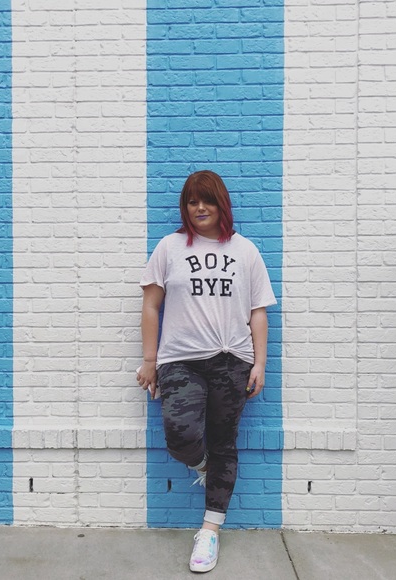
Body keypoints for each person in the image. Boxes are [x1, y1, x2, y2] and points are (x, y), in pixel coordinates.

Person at [136, 170, 276, 573]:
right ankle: (204, 467)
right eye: (192, 201)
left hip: (232, 358)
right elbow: (151, 306)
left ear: (221, 205)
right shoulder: (170, 247)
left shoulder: (245, 251)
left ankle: (210, 531)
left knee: (224, 442)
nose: (200, 208)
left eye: (207, 200)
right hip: (180, 359)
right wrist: (150, 360)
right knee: (180, 434)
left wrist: (260, 362)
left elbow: (258, 312)